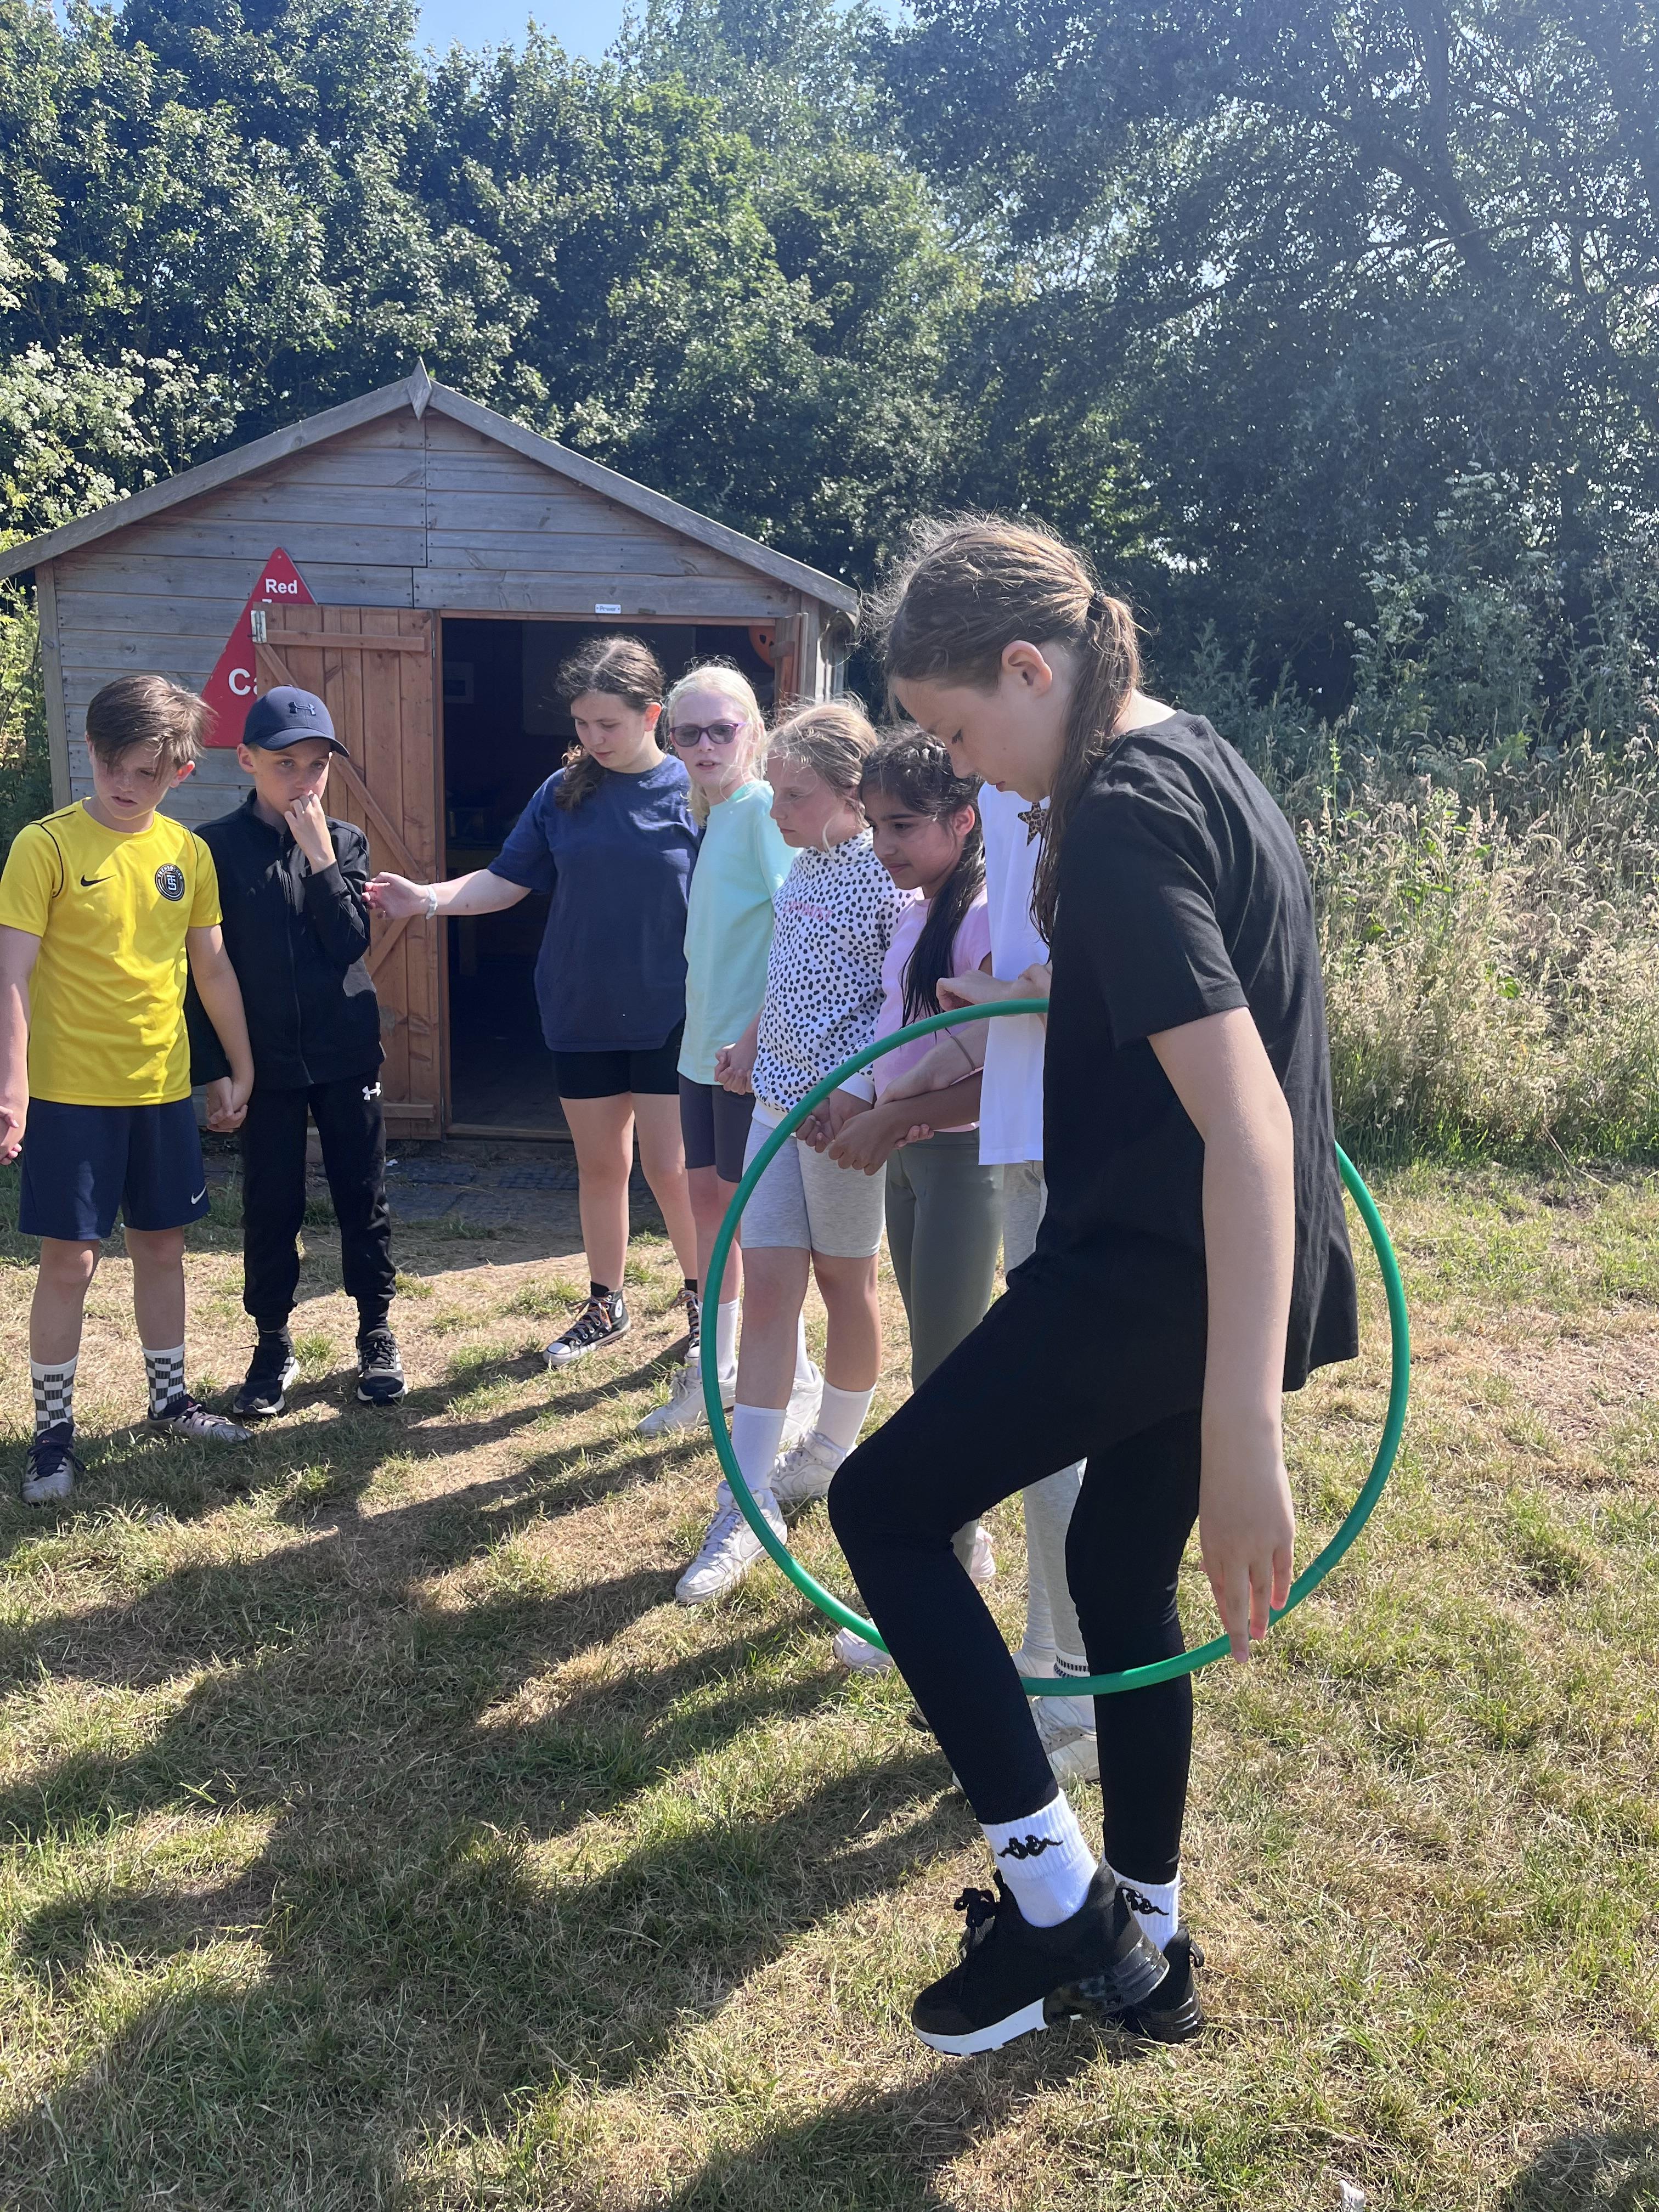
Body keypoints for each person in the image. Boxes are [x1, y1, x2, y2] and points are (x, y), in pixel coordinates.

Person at [826, 515, 1359, 2055]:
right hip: (1211, 1268)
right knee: (1121, 1581)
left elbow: (1248, 1125)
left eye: (957, 733)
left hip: (1158, 1274)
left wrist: (1245, 1433)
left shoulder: (1116, 813)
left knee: (884, 1507)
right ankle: (1149, 1943)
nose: (969, 772)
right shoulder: (1201, 758)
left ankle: (1057, 1902)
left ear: (1027, 667)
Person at [368, 635, 701, 1367]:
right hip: (579, 1007)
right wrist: (426, 899)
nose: (593, 738)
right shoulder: (561, 792)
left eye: (608, 724)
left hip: (674, 1013)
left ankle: (705, 1302)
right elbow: (504, 880)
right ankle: (606, 1305)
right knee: (602, 1167)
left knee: (672, 1170)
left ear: (653, 715)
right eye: (581, 723)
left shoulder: (695, 791)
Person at [861, 782, 1099, 1784]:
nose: (959, 759)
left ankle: (1083, 1691)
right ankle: (1054, 1659)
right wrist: (909, 1080)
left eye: (956, 731)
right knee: (1043, 1427)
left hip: (1064, 1149)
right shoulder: (1017, 804)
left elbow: (1057, 983)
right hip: (1027, 1150)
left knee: (1051, 1421)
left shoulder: (1074, 800)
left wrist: (920, 1082)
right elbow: (1018, 987)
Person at [0, 674, 257, 1504]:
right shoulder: (44, 847)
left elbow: (211, 968)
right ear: (90, 749)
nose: (124, 783)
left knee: (163, 1246)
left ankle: (170, 1402)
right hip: (69, 1093)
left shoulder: (187, 854)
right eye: (112, 763)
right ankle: (52, 1437)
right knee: (69, 1261)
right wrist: (12, 1087)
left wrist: (238, 1064)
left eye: (146, 772)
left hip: (160, 1087)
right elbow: (12, 973)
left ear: (180, 771)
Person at [675, 700, 902, 1606]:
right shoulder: (804, 867)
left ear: (852, 793)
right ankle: (745, 1499)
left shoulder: (887, 878)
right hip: (774, 1105)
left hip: (842, 1122)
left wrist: (862, 1090)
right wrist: (750, 1040)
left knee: (847, 1285)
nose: (777, 813)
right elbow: (788, 972)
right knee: (769, 1286)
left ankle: (832, 1451)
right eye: (774, 795)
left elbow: (903, 1003)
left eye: (795, 796)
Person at [800, 727, 1001, 1668]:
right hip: (916, 1156)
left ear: (964, 820)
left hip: (965, 1159)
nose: (885, 845)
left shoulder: (984, 918)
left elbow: (1003, 1067)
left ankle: (943, 1571)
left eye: (905, 826)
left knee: (949, 1374)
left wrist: (900, 1115)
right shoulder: (918, 911)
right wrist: (857, 1102)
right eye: (876, 825)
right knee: (932, 1357)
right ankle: (962, 1545)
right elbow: (901, 1031)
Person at [187, 686, 403, 1418]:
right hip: (266, 1060)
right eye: (286, 765)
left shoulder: (344, 841)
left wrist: (319, 859)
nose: (304, 781)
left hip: (346, 1050)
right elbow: (201, 969)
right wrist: (217, 1068)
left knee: (361, 1193)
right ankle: (272, 1344)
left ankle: (375, 1331)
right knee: (271, 1202)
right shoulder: (213, 848)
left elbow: (349, 943)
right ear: (247, 760)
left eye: (317, 766)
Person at [636, 662, 814, 1441]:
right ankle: (719, 1368)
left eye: (722, 729)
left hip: (751, 1056)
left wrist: (752, 1041)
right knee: (709, 1209)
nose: (705, 745)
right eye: (689, 732)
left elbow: (798, 933)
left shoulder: (763, 811)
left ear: (754, 731)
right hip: (700, 1051)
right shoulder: (711, 814)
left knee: (756, 1224)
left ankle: (795, 1378)